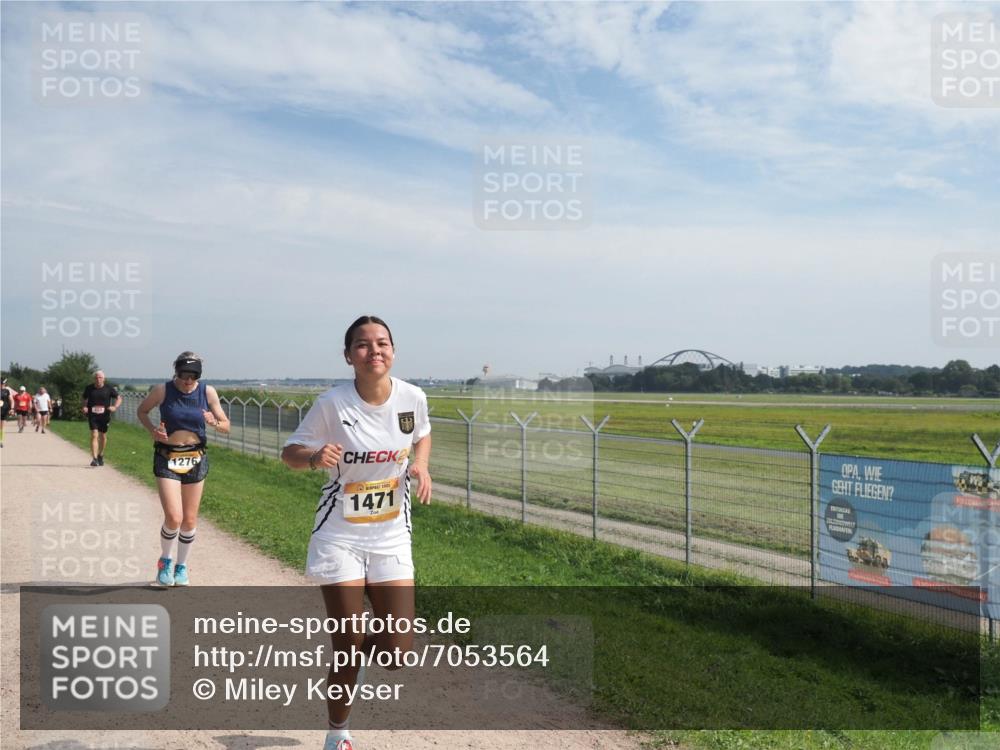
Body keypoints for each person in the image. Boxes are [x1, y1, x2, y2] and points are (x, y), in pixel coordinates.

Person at [281, 315, 432, 750]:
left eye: (382, 343)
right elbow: (289, 452)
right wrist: (313, 457)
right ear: (349, 356)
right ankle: (338, 734)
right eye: (363, 345)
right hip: (340, 535)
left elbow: (422, 434)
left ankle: (355, 655)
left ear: (393, 351)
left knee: (397, 655)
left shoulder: (412, 397)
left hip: (391, 537)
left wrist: (420, 463)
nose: (374, 351)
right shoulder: (333, 403)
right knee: (346, 643)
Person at [137, 352, 229, 587]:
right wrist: (152, 430)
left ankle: (181, 566)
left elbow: (226, 426)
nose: (188, 381)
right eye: (183, 375)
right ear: (175, 371)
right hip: (167, 457)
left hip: (196, 457)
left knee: (189, 520)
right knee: (174, 517)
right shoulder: (163, 390)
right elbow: (142, 410)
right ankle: (165, 562)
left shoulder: (207, 392)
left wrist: (214, 423)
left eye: (193, 375)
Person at [82, 371, 122, 466]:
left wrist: (115, 407)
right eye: (96, 378)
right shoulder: (89, 388)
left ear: (103, 379)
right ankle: (94, 458)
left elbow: (119, 398)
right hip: (93, 415)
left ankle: (101, 454)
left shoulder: (109, 389)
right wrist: (85, 406)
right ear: (94, 379)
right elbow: (84, 398)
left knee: (103, 436)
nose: (98, 379)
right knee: (94, 435)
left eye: (100, 377)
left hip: (104, 416)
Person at [0, 378, 13, 447]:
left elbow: (11, 400)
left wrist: (12, 409)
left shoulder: (7, 391)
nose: (2, 385)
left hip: (4, 410)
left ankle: (1, 441)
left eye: (3, 383)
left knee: (1, 427)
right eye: (1, 383)